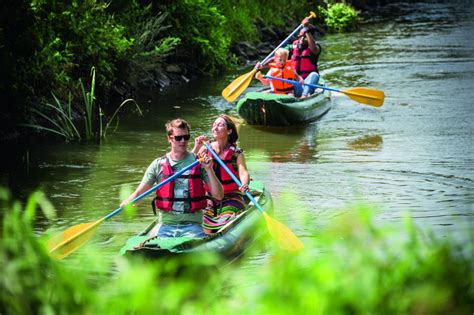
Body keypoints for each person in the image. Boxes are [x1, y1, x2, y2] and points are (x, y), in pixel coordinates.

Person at [120, 118, 223, 238]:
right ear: (169, 139)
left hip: (192, 226)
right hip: (166, 225)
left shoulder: (199, 162)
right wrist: (127, 202)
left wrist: (209, 169)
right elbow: (138, 194)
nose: (183, 141)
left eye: (186, 137)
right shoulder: (158, 164)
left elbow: (219, 195)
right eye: (179, 138)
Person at [193, 114, 250, 233]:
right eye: (214, 125)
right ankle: (205, 242)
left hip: (232, 196)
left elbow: (243, 171)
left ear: (229, 131)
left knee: (225, 219)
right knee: (203, 222)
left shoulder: (236, 153)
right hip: (210, 197)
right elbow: (190, 166)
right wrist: (196, 148)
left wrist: (245, 184)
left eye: (220, 125)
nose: (215, 128)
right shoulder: (205, 149)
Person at [287, 16, 322, 98]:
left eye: (305, 37)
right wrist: (262, 65)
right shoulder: (292, 47)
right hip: (296, 84)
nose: (302, 39)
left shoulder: (315, 48)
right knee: (286, 72)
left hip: (308, 85)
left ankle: (304, 96)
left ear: (310, 36)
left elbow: (313, 48)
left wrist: (306, 29)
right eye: (301, 36)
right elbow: (278, 55)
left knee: (314, 75)